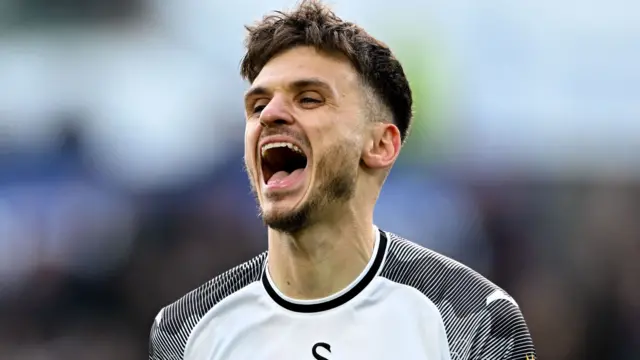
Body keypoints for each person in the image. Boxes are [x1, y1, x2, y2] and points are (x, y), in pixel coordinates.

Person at [148, 1, 536, 359]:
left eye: (310, 99)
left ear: (381, 145)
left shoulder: (471, 319)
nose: (270, 115)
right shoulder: (186, 330)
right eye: (258, 104)